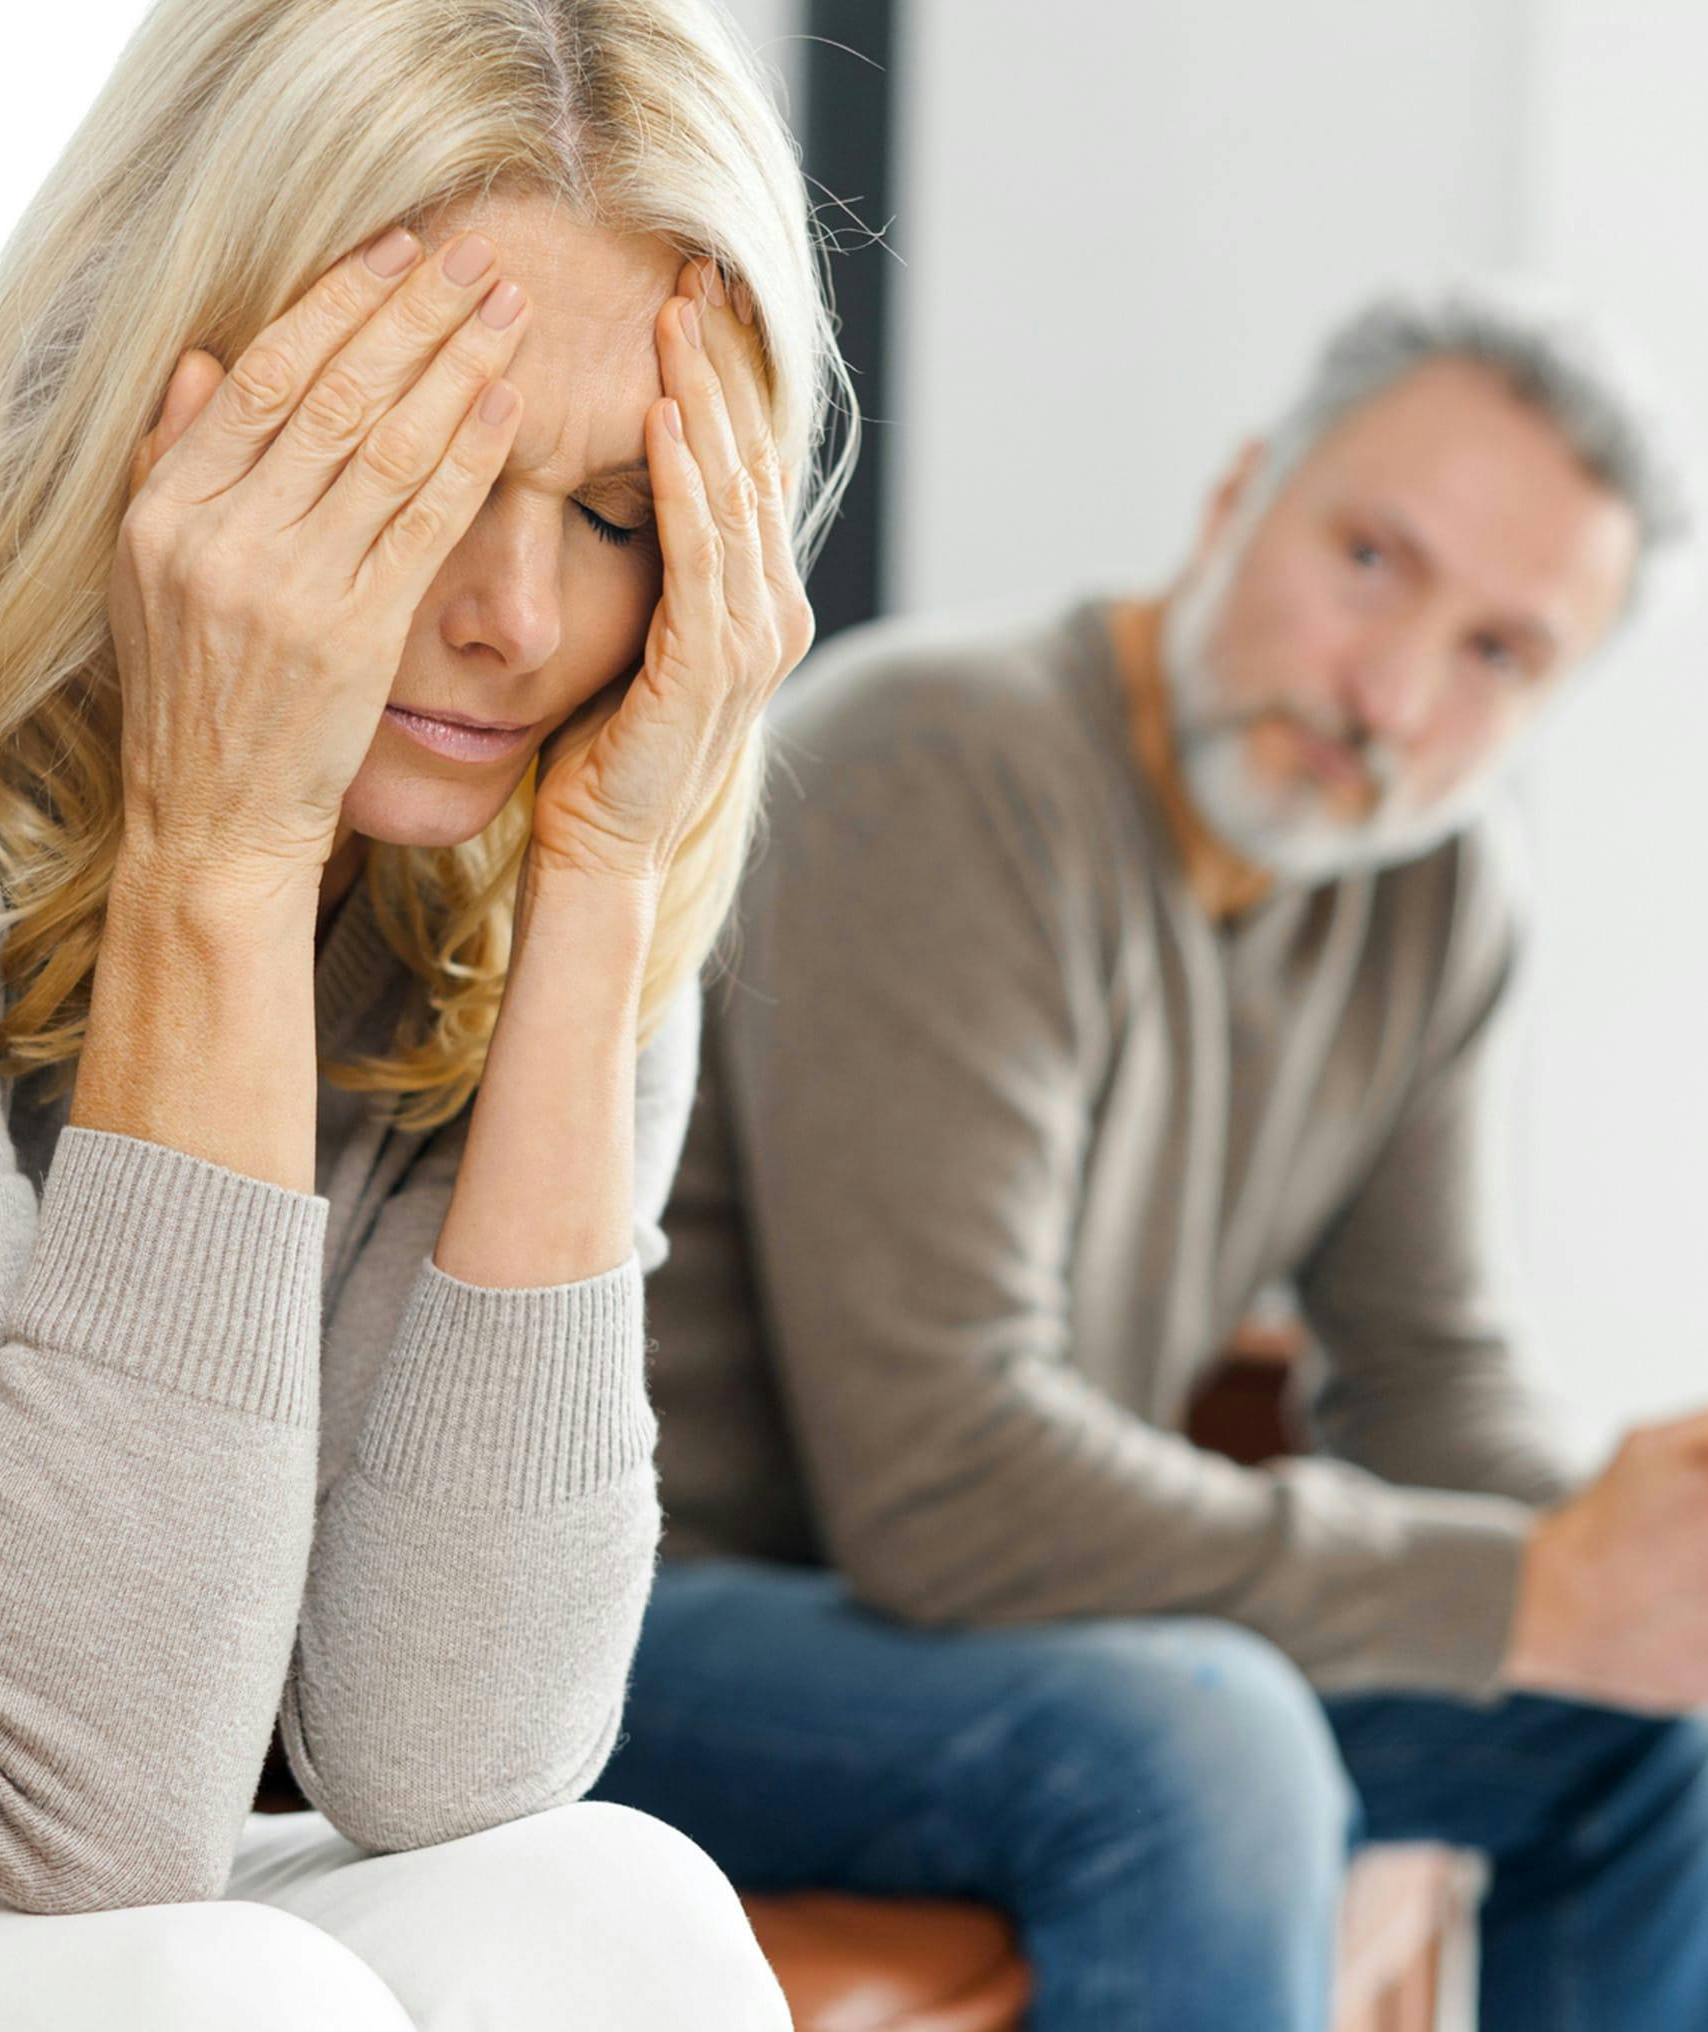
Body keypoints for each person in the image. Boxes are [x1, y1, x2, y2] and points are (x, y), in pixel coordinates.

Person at [0, 1, 847, 2025]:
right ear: (162, 401)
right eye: (410, 473)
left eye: (621, 515)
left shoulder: (534, 813)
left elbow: (455, 1751)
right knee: (220, 1991)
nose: (517, 622)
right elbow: (88, 1809)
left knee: (606, 1898)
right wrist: (222, 856)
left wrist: (601, 900)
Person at [588, 286, 1708, 2029]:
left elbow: (1421, 1379)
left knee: (1655, 1726)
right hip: (657, 1622)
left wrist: (1642, 1563)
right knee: (1207, 1739)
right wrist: (1529, 1593)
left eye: (1500, 653)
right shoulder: (941, 767)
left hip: (1007, 1627)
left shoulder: (1433, 888)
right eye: (1369, 560)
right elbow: (945, 1495)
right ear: (1234, 497)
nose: (1394, 692)